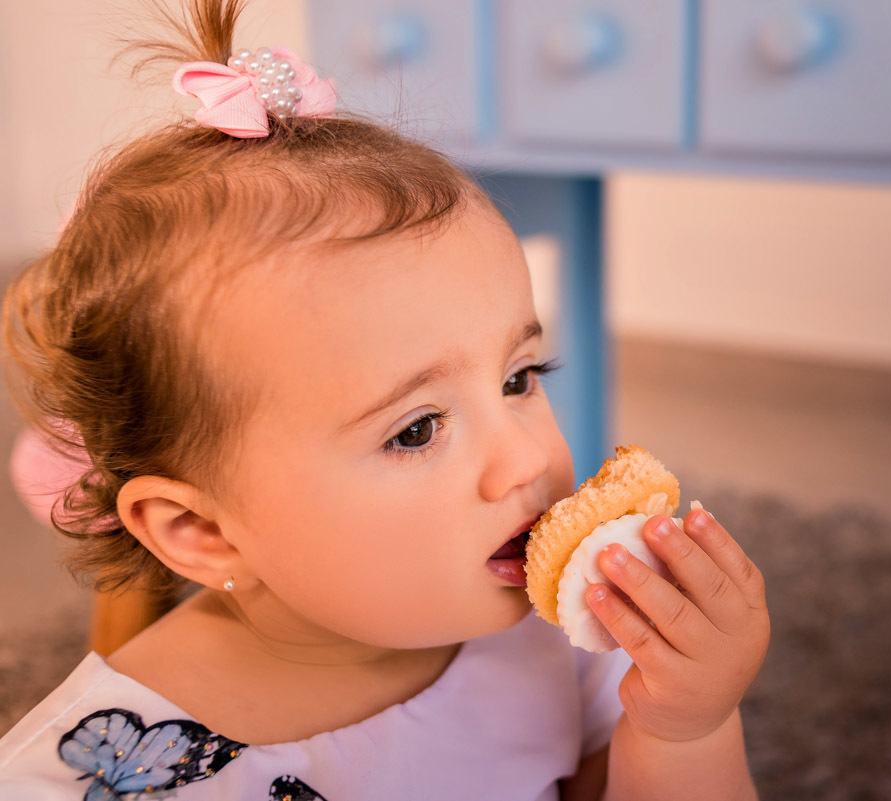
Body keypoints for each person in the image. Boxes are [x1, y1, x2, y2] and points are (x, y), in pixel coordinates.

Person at [0, 1, 771, 798]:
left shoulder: (573, 639)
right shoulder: (108, 775)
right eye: (416, 430)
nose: (525, 459)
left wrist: (685, 728)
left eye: (518, 378)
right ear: (202, 531)